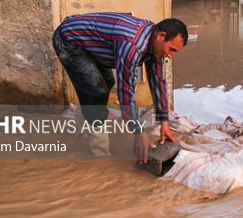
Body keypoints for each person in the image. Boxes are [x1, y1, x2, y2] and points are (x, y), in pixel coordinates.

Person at [52, 12, 187, 162]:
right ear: (161, 36)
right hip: (68, 40)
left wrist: (164, 122)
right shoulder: (132, 44)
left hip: (90, 44)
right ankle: (100, 153)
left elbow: (158, 81)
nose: (170, 56)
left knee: (103, 85)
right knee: (97, 92)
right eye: (172, 49)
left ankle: (77, 132)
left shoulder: (154, 44)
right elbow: (125, 89)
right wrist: (138, 131)